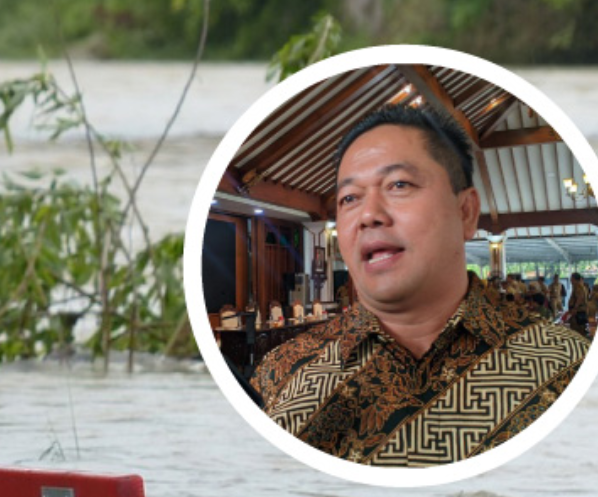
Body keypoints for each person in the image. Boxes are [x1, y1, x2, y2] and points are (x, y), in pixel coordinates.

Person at [251, 104, 590, 467]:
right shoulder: (279, 373)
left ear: (466, 212)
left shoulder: (570, 368)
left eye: (399, 185)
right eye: (349, 198)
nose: (368, 215)